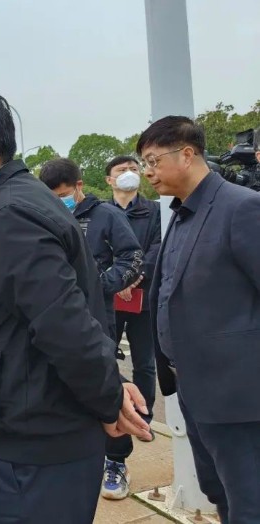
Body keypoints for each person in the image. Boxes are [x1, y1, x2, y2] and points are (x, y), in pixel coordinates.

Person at [0, 87, 150, 523]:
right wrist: (109, 385)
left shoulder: (10, 216)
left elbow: (65, 326)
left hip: (37, 448)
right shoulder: (12, 205)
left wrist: (108, 397)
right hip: (34, 433)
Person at [139, 116, 260, 523]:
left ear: (187, 154)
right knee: (220, 493)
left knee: (250, 502)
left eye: (153, 160)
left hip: (240, 398)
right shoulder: (181, 212)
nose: (148, 172)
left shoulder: (241, 207)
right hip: (195, 389)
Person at [39, 158, 145, 500]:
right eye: (52, 196)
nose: (60, 201)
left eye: (64, 195)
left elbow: (133, 258)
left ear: (79, 186)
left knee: (107, 384)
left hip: (98, 315)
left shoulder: (106, 216)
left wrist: (99, 286)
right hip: (59, 317)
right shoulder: (45, 217)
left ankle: (116, 461)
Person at [105, 155, 161, 433]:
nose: (129, 173)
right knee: (104, 358)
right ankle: (110, 411)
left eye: (133, 168)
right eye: (122, 169)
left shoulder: (155, 211)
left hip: (144, 297)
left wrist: (135, 277)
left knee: (145, 363)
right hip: (109, 298)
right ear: (109, 179)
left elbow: (157, 247)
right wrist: (117, 280)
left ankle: (143, 417)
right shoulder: (102, 212)